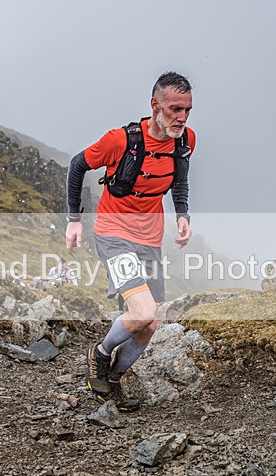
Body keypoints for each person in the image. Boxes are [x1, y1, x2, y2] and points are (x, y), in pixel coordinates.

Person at [66, 72, 195, 412]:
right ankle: (100, 354)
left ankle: (114, 380)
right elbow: (78, 165)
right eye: (174, 109)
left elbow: (179, 181)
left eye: (187, 110)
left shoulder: (184, 141)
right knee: (143, 310)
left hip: (149, 239)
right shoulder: (120, 140)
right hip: (113, 234)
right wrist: (74, 220)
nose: (181, 117)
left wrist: (182, 215)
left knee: (150, 324)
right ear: (155, 105)